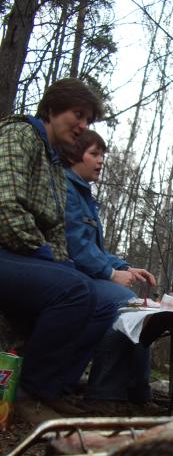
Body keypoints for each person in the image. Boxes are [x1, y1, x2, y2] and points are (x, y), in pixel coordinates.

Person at [0, 78, 117, 415]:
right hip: (7, 251)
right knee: (76, 290)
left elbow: (56, 231)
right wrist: (45, 255)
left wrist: (61, 261)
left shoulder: (54, 165)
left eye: (88, 121)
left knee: (100, 301)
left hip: (24, 257)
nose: (82, 126)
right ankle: (29, 392)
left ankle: (56, 387)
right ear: (51, 109)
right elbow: (5, 207)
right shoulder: (18, 135)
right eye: (77, 115)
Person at [59, 129, 157, 407]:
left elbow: (95, 250)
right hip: (70, 275)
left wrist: (126, 267)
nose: (101, 161)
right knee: (126, 304)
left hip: (86, 273)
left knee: (143, 309)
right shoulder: (66, 189)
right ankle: (103, 393)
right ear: (73, 155)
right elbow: (75, 246)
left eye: (103, 154)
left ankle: (138, 391)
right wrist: (111, 274)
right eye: (94, 154)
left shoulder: (85, 195)